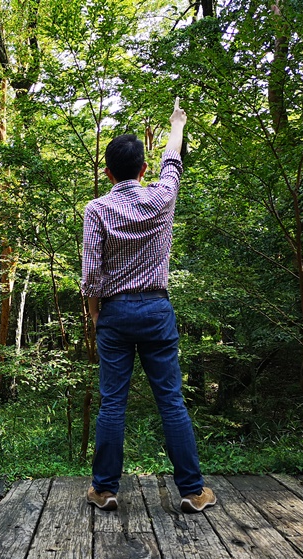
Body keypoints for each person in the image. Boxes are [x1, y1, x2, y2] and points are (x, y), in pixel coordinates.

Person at [81, 98, 216, 514]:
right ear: (143, 169)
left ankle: (105, 490)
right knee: (171, 400)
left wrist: (94, 314)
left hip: (115, 313)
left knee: (112, 402)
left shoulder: (97, 209)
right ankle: (192, 492)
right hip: (157, 310)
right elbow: (172, 161)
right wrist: (177, 123)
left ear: (107, 173)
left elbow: (91, 272)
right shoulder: (162, 197)